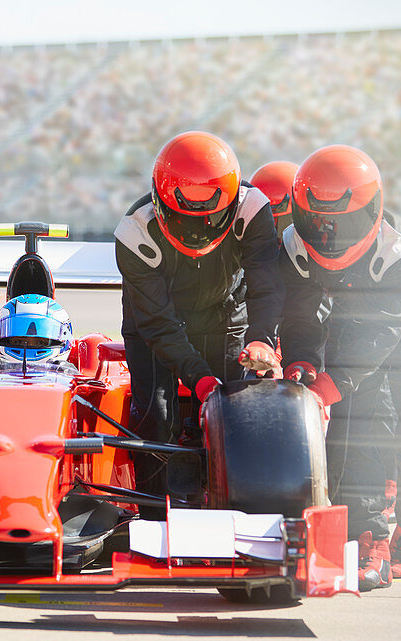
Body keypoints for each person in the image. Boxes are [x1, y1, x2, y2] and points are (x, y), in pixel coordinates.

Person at [279, 144, 401, 591]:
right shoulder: (295, 246)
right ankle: (367, 535)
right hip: (349, 315)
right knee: (358, 422)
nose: (326, 233)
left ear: (370, 210)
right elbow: (299, 315)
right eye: (318, 221)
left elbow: (377, 339)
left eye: (338, 223)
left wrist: (328, 385)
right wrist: (301, 362)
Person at [114, 131, 284, 514]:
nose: (197, 229)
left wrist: (261, 340)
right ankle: (153, 511)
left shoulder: (254, 208)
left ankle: (237, 510)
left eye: (208, 216)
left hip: (225, 313)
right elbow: (157, 323)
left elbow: (267, 284)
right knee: (156, 415)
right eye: (186, 216)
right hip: (154, 324)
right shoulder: (135, 232)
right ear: (161, 201)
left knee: (236, 411)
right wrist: (199, 378)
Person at [252, 158, 399, 522]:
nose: (274, 227)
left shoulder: (333, 245)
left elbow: (321, 313)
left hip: (317, 342)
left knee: (369, 406)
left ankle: (381, 487)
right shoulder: (252, 249)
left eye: (280, 216)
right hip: (272, 343)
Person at [0, 294, 77, 373]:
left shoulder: (72, 381)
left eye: (40, 342)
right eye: (19, 341)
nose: (28, 346)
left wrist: (70, 376)